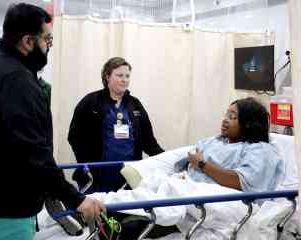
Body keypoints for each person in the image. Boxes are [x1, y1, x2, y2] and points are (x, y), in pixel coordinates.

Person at [0, 3, 105, 240]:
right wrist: (76, 199)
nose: (48, 46)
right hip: (2, 211)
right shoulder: (17, 79)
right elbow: (33, 153)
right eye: (47, 39)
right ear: (27, 41)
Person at [115, 97, 285, 239]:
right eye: (226, 114)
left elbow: (242, 182)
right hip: (190, 199)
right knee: (155, 194)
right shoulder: (215, 141)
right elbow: (188, 162)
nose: (225, 119)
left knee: (147, 221)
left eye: (232, 116)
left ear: (249, 123)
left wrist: (202, 164)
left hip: (221, 203)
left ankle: (117, 221)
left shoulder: (260, 150)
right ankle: (113, 215)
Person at [68, 57, 164, 193]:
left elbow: (149, 142)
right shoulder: (91, 102)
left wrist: (168, 159)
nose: (124, 79)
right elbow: (74, 136)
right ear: (107, 76)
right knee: (99, 213)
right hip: (98, 177)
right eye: (119, 75)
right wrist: (87, 164)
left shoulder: (134, 104)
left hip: (128, 177)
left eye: (127, 76)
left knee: (126, 212)